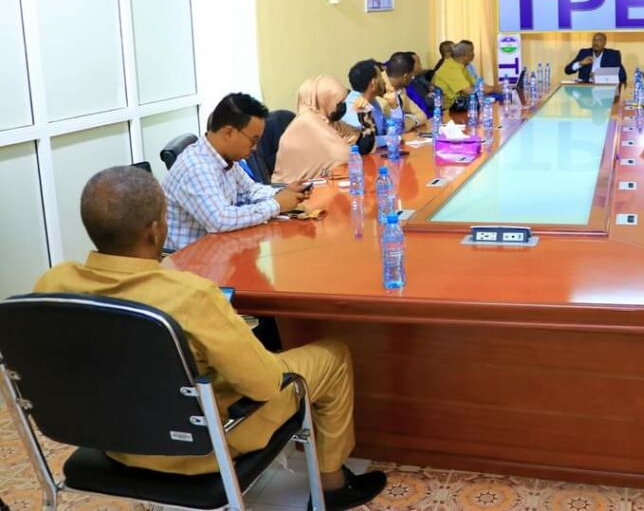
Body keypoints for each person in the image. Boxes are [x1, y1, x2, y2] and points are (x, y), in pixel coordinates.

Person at [36, 166, 387, 509]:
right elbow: (265, 385)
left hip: (114, 440)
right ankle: (333, 486)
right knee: (333, 355)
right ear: (155, 230)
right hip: (202, 447)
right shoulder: (191, 295)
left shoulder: (52, 285)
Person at [163, 93, 310, 251]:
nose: (255, 148)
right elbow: (221, 220)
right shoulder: (196, 167)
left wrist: (284, 193)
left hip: (221, 248)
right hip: (192, 259)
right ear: (228, 133)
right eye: (253, 141)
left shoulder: (224, 158)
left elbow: (250, 190)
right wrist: (276, 204)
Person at [273, 76, 369, 183]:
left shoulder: (328, 121)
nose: (343, 107)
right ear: (324, 101)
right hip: (292, 190)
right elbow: (345, 156)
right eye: (338, 103)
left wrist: (365, 115)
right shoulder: (307, 122)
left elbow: (363, 145)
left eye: (343, 102)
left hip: (316, 185)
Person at [341, 59, 387, 148]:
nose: (384, 81)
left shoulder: (373, 101)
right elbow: (363, 141)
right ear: (373, 83)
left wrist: (395, 108)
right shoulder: (352, 109)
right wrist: (395, 138)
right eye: (381, 77)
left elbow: (387, 130)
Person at [383, 52, 428, 130]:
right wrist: (405, 123)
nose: (412, 78)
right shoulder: (378, 89)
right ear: (406, 76)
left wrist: (408, 123)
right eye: (412, 76)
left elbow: (422, 115)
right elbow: (389, 128)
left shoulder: (401, 88)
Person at [434, 41, 477, 110]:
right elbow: (469, 91)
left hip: (460, 104)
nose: (473, 54)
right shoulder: (450, 68)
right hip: (448, 109)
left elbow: (476, 84)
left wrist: (493, 88)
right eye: (471, 52)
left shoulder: (460, 66)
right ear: (464, 55)